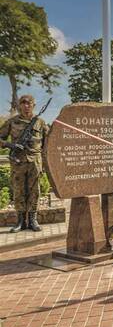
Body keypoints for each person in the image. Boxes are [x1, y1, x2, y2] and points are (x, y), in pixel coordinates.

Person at [0, 95, 49, 233]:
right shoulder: (12, 122)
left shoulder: (40, 122)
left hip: (35, 161)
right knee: (19, 191)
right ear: (19, 105)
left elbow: (48, 144)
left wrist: (45, 163)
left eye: (29, 103)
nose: (26, 105)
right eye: (23, 103)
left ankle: (33, 220)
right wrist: (10, 145)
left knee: (35, 191)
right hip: (18, 162)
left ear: (34, 105)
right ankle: (20, 221)